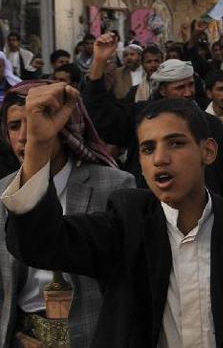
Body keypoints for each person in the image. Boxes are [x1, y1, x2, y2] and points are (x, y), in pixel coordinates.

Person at [2, 90, 223, 347]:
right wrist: (39, 147)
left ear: (208, 152)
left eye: (175, 143)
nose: (160, 159)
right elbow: (39, 244)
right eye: (147, 148)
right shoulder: (125, 223)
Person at [0, 81, 135, 348]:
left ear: (63, 125)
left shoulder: (113, 185)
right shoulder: (4, 192)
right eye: (15, 126)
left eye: (36, 120)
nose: (26, 136)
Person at [84, 34, 223, 199]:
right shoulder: (142, 118)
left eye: (191, 85)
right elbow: (102, 118)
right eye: (179, 87)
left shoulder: (210, 124)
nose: (188, 93)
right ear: (163, 91)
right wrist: (99, 62)